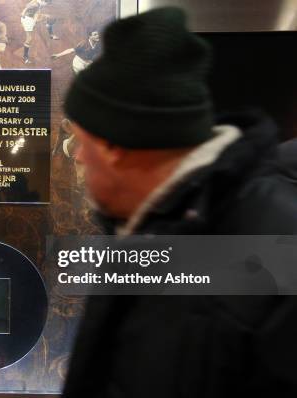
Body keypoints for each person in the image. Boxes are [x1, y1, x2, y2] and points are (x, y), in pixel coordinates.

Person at [61, 7, 297, 397]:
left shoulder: (280, 244)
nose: (79, 157)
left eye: (82, 141)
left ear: (113, 146)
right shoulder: (140, 230)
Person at [20, 0, 56, 64]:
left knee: (50, 17)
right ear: (44, 1)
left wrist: (35, 19)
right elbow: (28, 8)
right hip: (28, 20)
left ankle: (51, 34)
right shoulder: (36, 4)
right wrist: (33, 22)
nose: (46, 5)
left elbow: (34, 11)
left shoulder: (38, 2)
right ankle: (25, 57)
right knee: (29, 39)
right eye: (47, 3)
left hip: (32, 17)